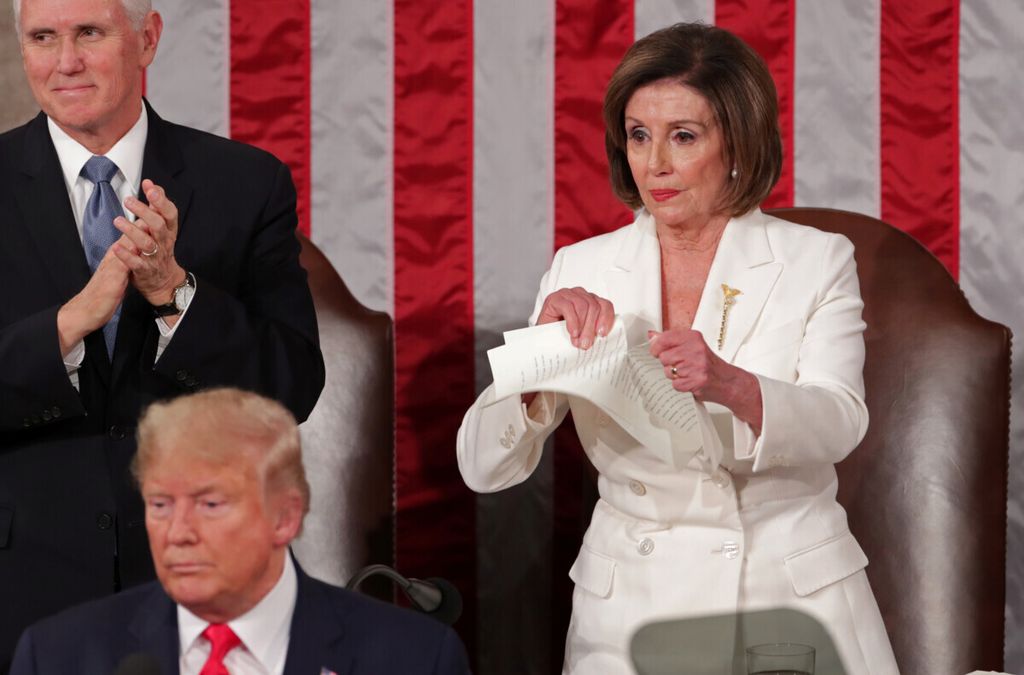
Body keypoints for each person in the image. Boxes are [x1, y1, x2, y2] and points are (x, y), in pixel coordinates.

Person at [457, 22, 899, 674]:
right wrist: (537, 366)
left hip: (785, 595)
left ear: (738, 144)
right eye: (639, 135)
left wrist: (734, 386)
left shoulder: (816, 260)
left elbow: (841, 420)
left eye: (683, 136)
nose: (655, 162)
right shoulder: (582, 268)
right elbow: (482, 467)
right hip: (632, 602)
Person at [0, 0, 324, 667]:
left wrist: (175, 291)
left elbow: (289, 387)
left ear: (147, 39)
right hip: (20, 585)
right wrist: (68, 325)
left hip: (201, 579)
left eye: (89, 33)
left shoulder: (246, 183)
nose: (66, 62)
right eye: (42, 38)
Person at [10, 388, 471, 675]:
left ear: (285, 517)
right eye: (160, 505)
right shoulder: (57, 656)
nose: (178, 533)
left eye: (210, 504)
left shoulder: (413, 659)